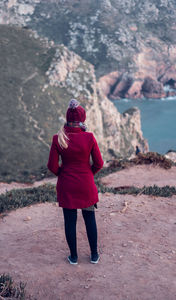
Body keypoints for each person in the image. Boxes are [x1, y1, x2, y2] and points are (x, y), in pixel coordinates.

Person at [47, 99, 104, 265]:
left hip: (67, 186)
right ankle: (94, 255)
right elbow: (99, 163)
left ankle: (74, 257)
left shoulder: (59, 138)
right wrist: (88, 174)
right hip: (86, 185)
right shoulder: (89, 137)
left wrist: (64, 175)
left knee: (70, 222)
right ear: (83, 118)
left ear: (67, 118)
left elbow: (51, 166)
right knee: (90, 219)